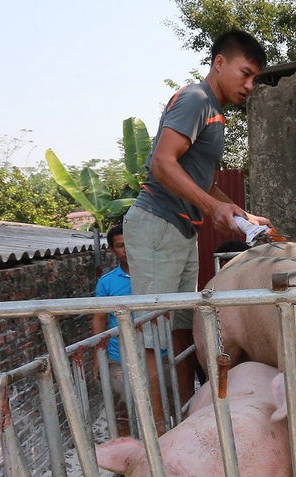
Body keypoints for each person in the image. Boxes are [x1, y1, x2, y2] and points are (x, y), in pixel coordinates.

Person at [123, 28, 273, 431]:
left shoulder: (214, 112)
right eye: (245, 74)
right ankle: (157, 436)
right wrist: (212, 208)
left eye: (255, 78)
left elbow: (198, 177)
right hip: (158, 224)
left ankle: (187, 418)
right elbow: (161, 163)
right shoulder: (195, 99)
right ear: (219, 63)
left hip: (179, 229)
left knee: (181, 329)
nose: (249, 85)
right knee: (154, 334)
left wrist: (239, 212)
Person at [92, 224, 133, 434]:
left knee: (162, 406)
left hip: (157, 352)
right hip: (119, 356)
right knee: (123, 410)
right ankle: (125, 459)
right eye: (120, 245)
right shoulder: (107, 283)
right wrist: (98, 357)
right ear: (112, 250)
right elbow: (99, 318)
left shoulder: (155, 277)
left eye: (130, 243)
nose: (126, 249)